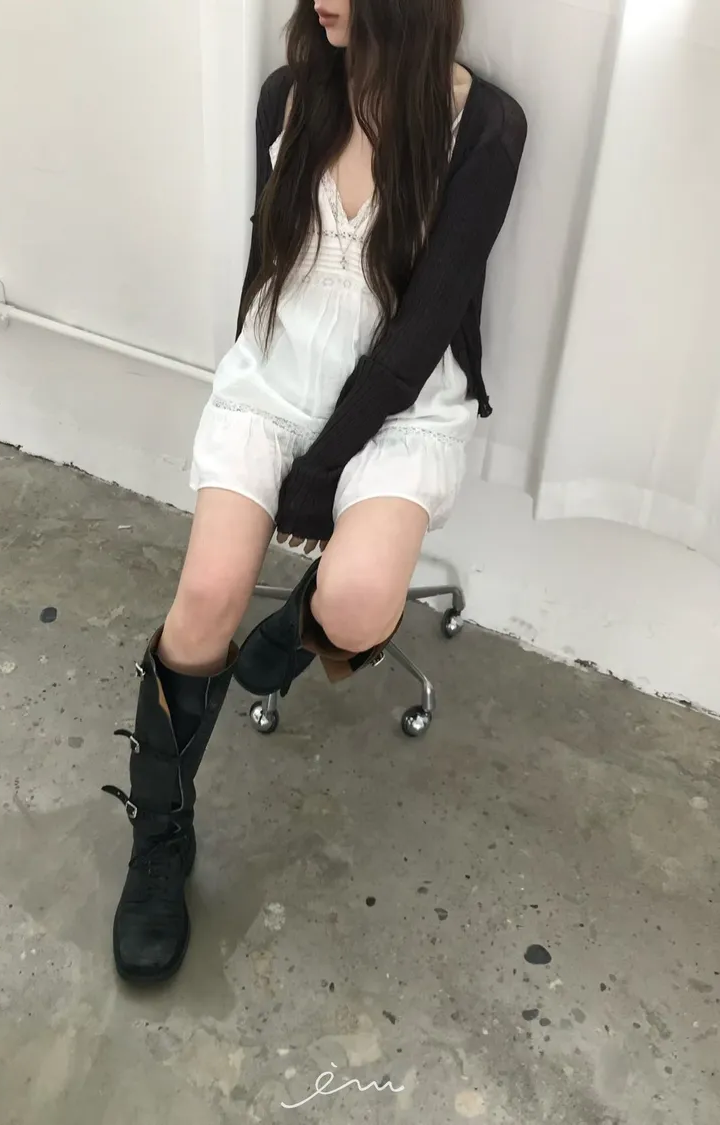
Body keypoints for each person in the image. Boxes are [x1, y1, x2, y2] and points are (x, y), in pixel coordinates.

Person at [103, 0, 527, 983]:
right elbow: (269, 264)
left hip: (402, 405)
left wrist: (323, 469)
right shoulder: (289, 97)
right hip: (275, 381)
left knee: (359, 602)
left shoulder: (486, 126)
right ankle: (160, 839)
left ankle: (294, 634)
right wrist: (253, 397)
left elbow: (426, 324)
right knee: (203, 600)